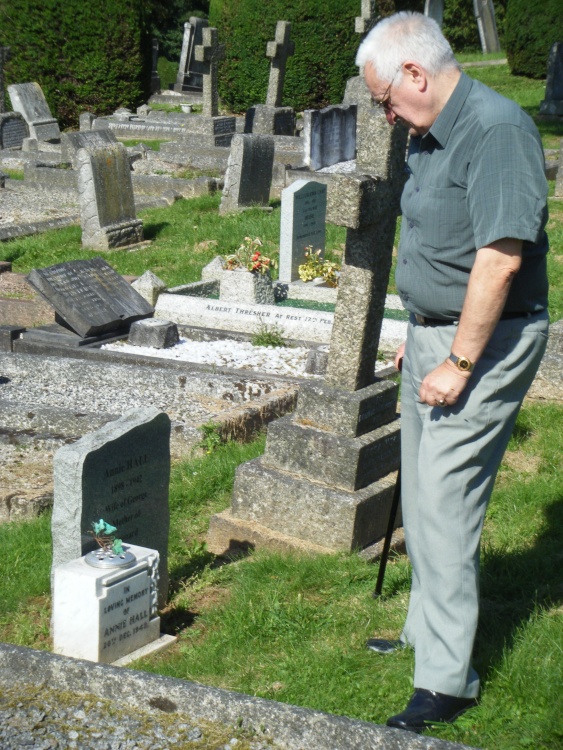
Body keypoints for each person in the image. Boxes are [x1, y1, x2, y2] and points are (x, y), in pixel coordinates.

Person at [355, 12, 549, 734]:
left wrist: (461, 358)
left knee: (442, 501)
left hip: (487, 343)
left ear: (415, 73)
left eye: (384, 98)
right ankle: (420, 633)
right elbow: (440, 242)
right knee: (420, 487)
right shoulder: (426, 132)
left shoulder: (495, 131)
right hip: (437, 337)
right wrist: (425, 333)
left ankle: (445, 681)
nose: (385, 113)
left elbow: (498, 259)